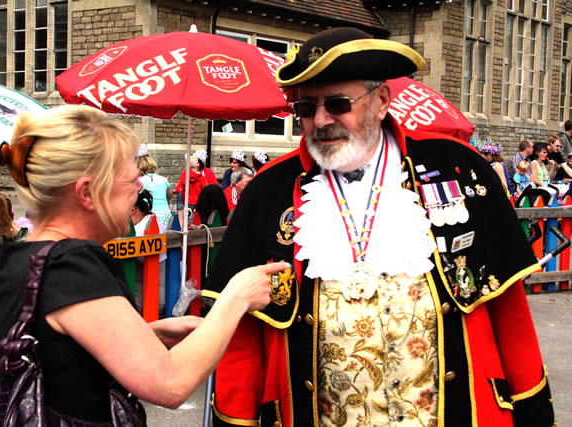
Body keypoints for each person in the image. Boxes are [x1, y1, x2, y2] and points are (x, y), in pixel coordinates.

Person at [204, 27, 554, 427]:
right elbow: (243, 345)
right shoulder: (267, 192)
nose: (320, 120)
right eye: (306, 108)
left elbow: (510, 316)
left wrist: (535, 416)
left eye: (337, 103)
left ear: (382, 100)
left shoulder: (458, 168)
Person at [0, 104, 289, 423]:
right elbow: (171, 383)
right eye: (131, 180)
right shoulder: (72, 264)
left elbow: (59, 354)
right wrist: (236, 297)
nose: (139, 188)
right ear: (88, 193)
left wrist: (151, 334)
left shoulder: (29, 253)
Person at [131, 188, 167, 314]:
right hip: (165, 298)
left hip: (146, 302)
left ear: (132, 210)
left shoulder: (137, 232)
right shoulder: (156, 222)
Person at [138, 155, 173, 226]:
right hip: (164, 212)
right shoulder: (163, 179)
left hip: (148, 213)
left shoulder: (139, 181)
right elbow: (170, 195)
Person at [175, 155, 208, 225]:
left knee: (186, 224)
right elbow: (205, 190)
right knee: (196, 223)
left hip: (187, 203)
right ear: (197, 166)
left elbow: (179, 190)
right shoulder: (201, 177)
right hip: (197, 203)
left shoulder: (184, 175)